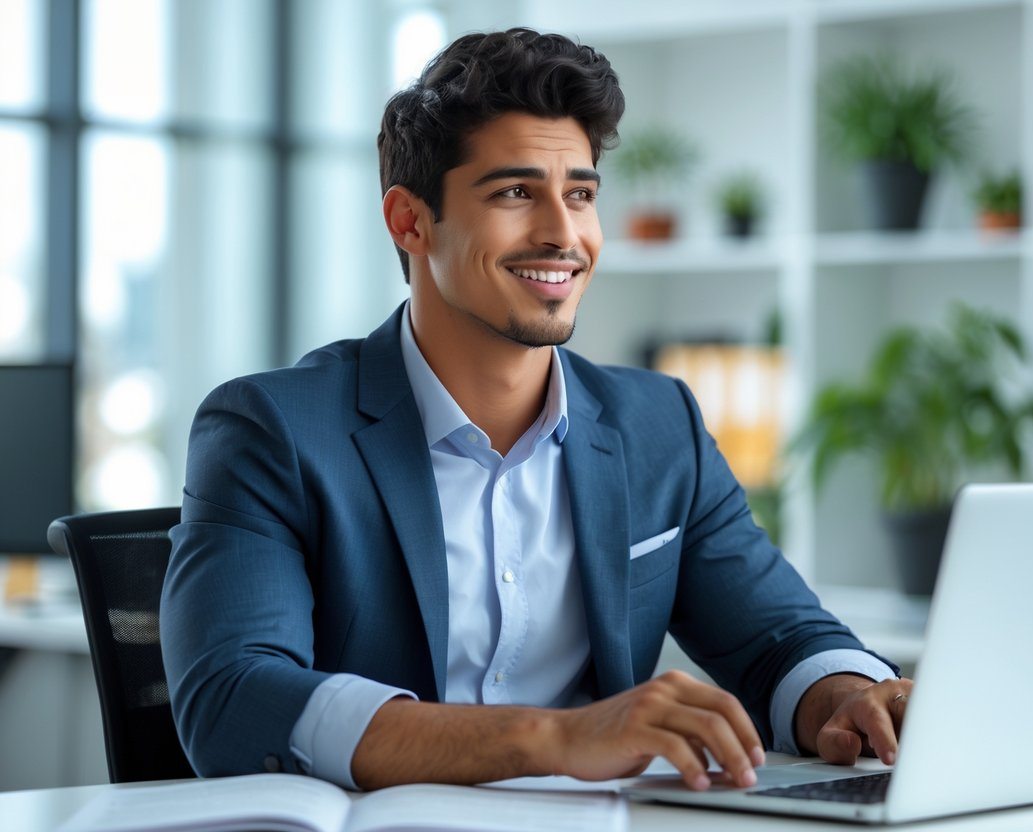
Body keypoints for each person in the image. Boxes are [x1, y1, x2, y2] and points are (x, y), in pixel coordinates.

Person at [161, 27, 912, 793]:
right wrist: (553, 737)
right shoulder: (274, 430)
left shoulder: (659, 425)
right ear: (409, 221)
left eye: (580, 194)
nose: (563, 233)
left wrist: (849, 699)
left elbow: (777, 639)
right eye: (516, 193)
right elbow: (234, 699)